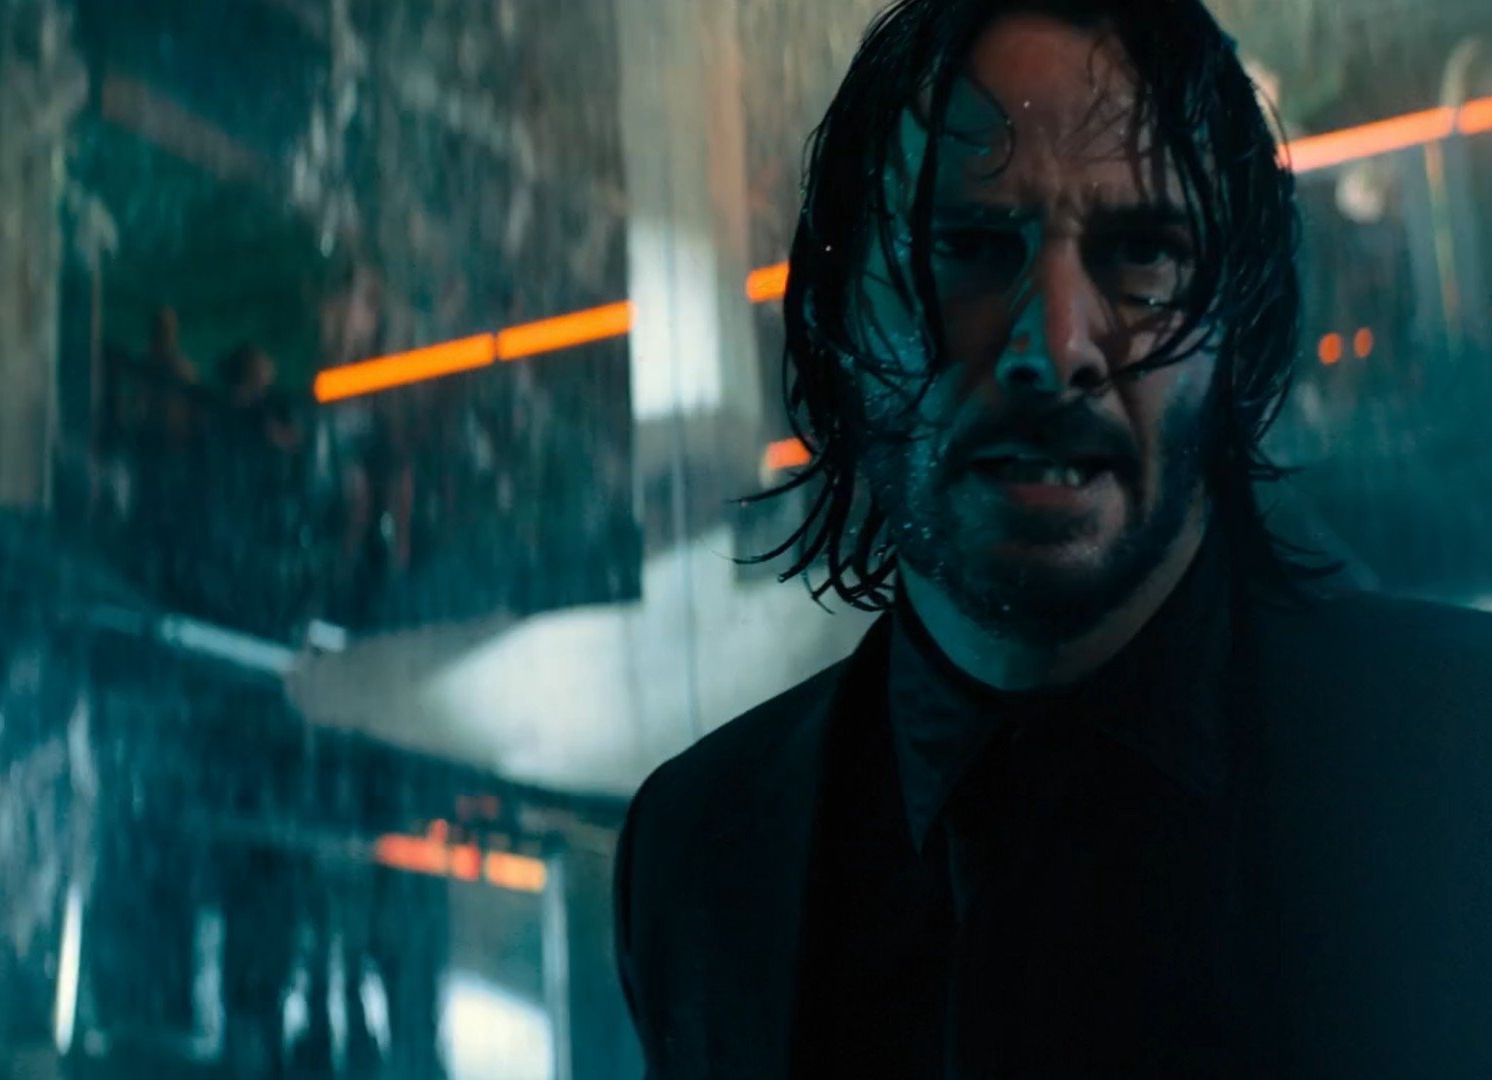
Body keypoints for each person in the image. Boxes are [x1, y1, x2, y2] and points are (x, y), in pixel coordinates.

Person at [613, 1, 1492, 1076]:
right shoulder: (699, 853)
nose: (1056, 344)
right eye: (969, 248)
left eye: (1142, 253)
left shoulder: (1463, 767)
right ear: (841, 308)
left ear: (1236, 330)